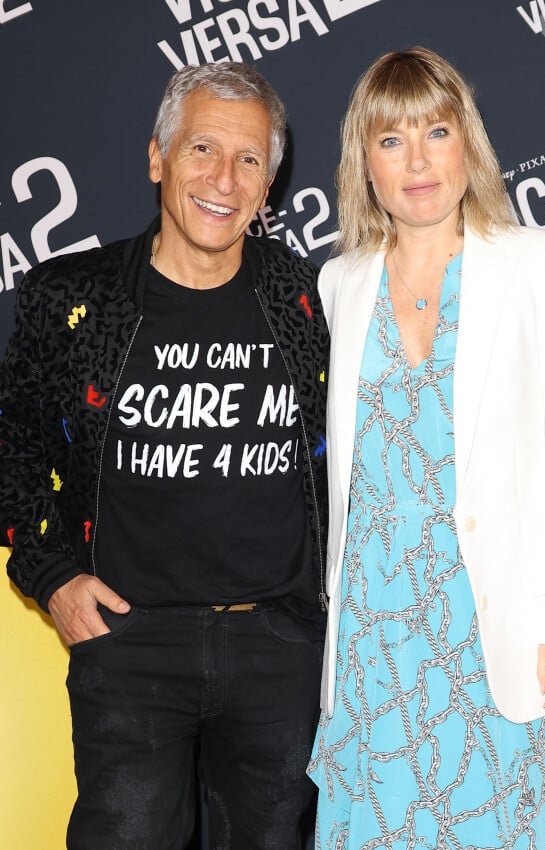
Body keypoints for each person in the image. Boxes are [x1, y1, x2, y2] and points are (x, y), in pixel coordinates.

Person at [0, 61, 328, 850]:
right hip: (130, 645)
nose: (224, 178)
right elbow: (12, 444)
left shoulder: (312, 300)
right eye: (202, 149)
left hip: (279, 649)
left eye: (250, 159)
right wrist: (50, 575)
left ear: (271, 181)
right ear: (157, 157)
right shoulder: (70, 299)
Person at [307, 47, 545, 849]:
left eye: (435, 131)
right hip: (374, 644)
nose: (417, 160)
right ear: (366, 161)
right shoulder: (340, 283)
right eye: (391, 141)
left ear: (470, 143)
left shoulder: (537, 264)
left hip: (492, 632)